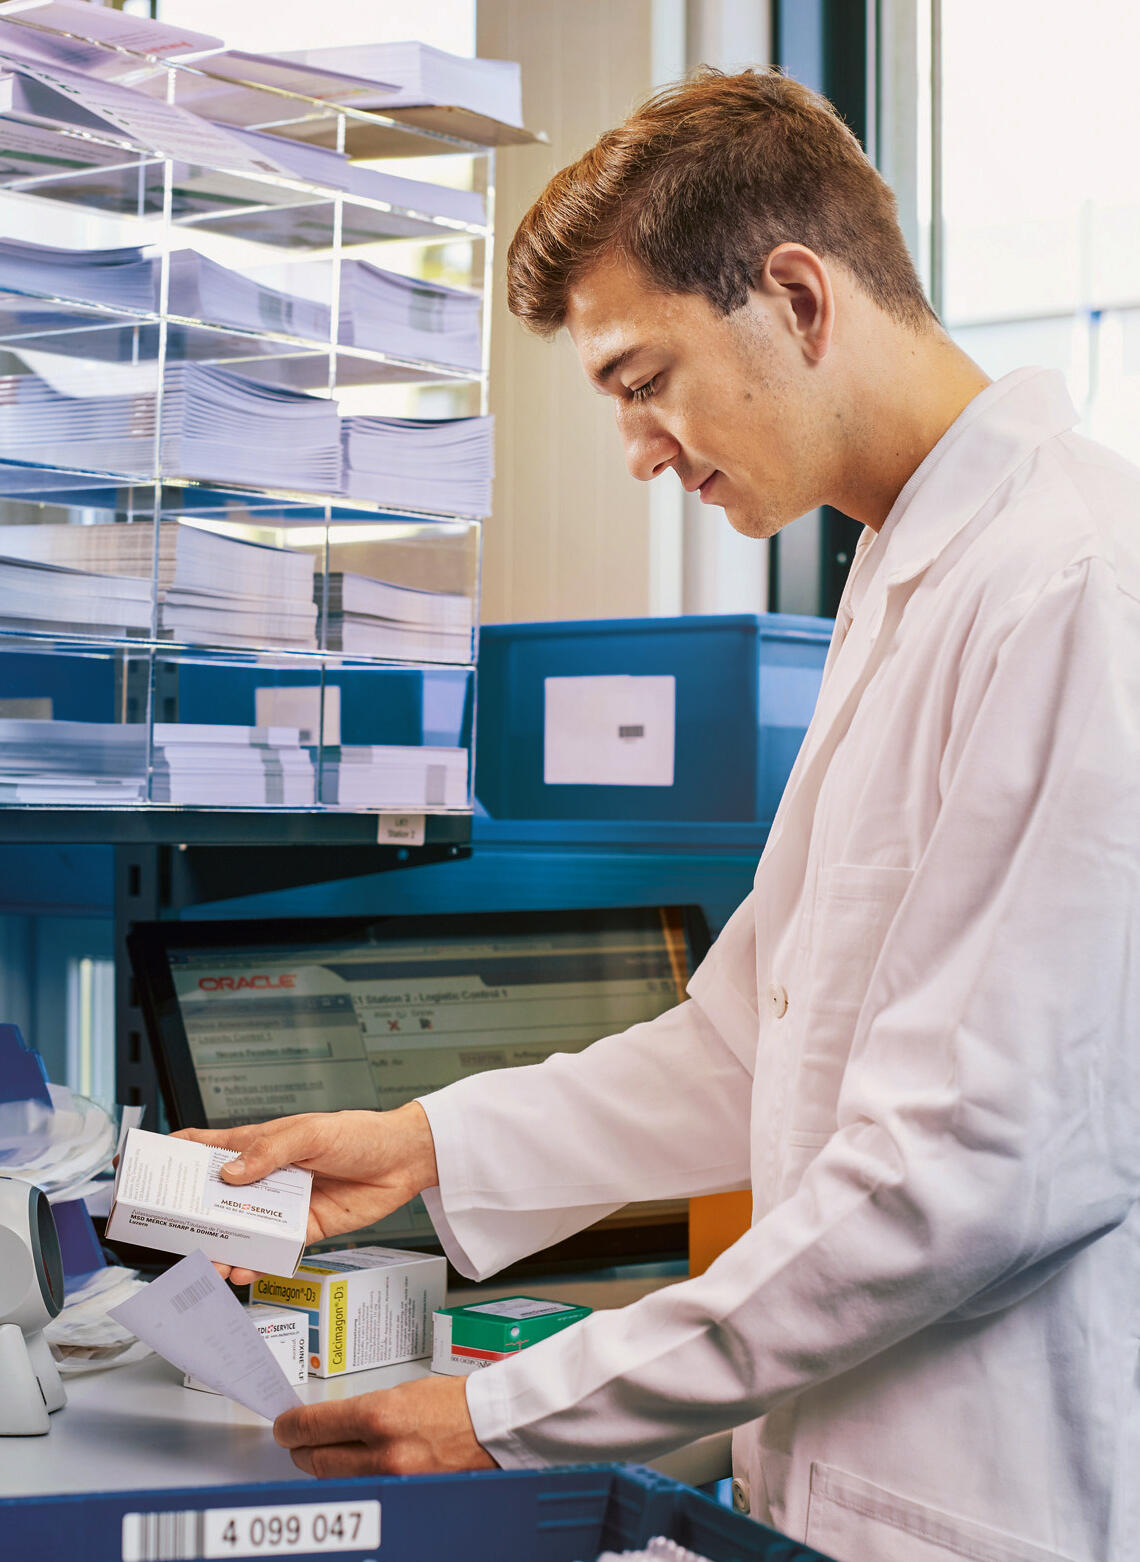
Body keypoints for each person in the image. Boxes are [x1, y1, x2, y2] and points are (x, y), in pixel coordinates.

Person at [180, 70, 1139, 1562]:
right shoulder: (907, 571)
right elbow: (755, 1041)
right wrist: (423, 1140)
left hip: (990, 1509)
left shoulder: (1077, 582)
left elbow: (962, 1172)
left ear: (800, 301)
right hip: (832, 1495)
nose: (638, 446)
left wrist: (508, 1410)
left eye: (644, 378)